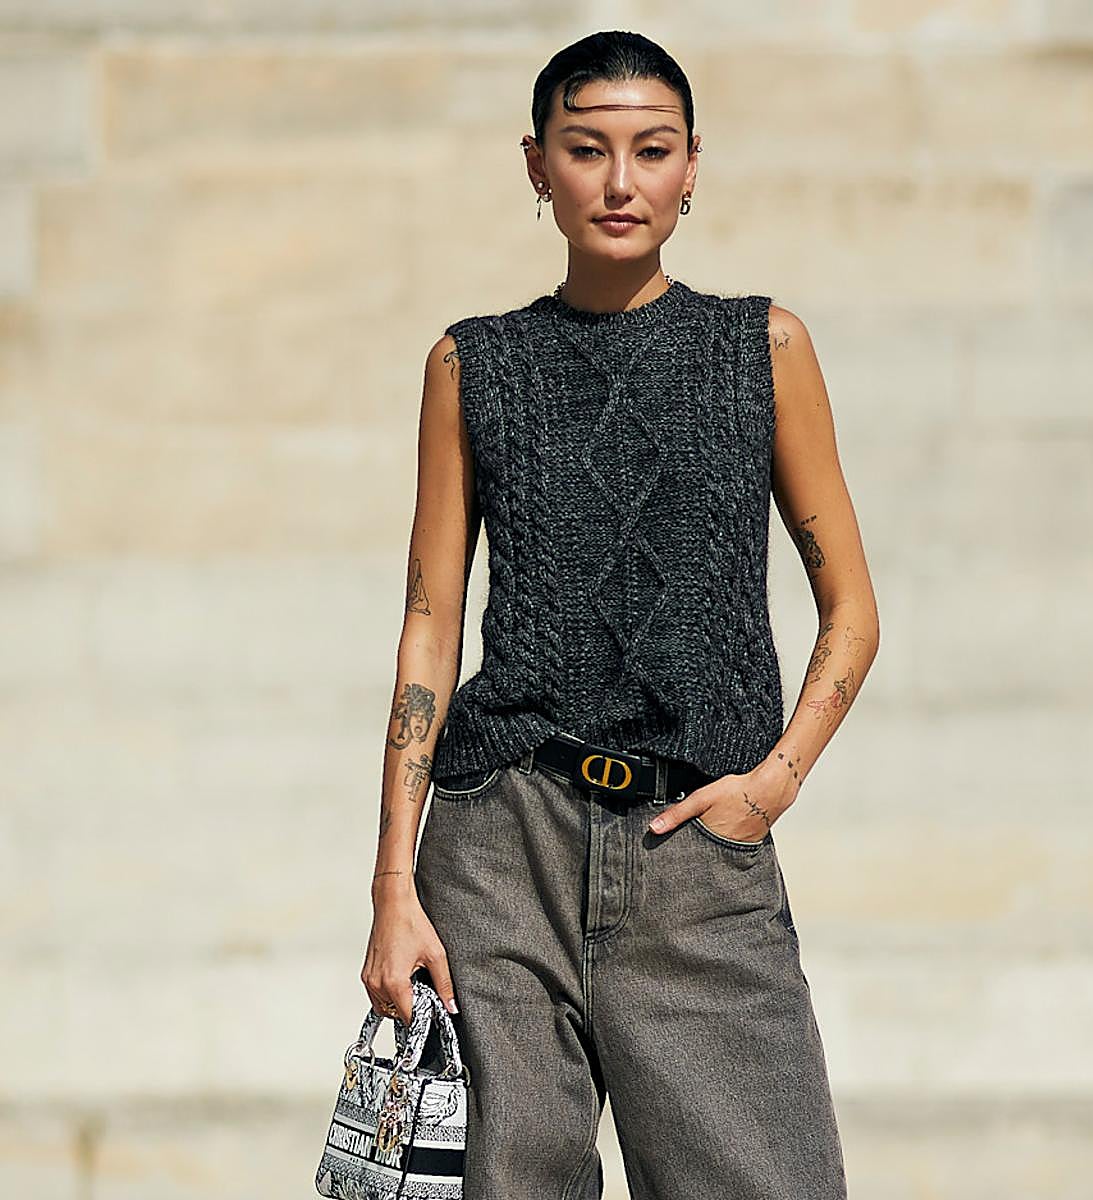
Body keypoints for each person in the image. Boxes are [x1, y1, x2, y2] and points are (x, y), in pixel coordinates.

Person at [360, 29, 877, 1200]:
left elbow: (851, 605)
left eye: (651, 150)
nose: (620, 180)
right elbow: (429, 629)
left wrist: (775, 782)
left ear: (694, 166)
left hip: (699, 849)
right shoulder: (471, 365)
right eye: (586, 149)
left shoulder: (765, 347)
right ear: (537, 166)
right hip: (501, 847)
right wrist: (395, 888)